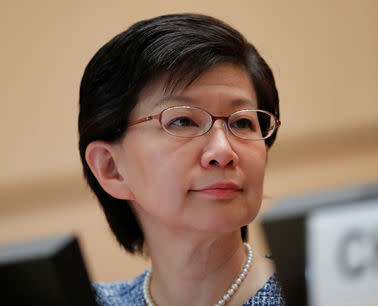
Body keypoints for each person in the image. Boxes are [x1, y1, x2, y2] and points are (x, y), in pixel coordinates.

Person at [78, 13, 284, 306]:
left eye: (241, 123)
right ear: (111, 168)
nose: (223, 151)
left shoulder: (326, 294)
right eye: (182, 121)